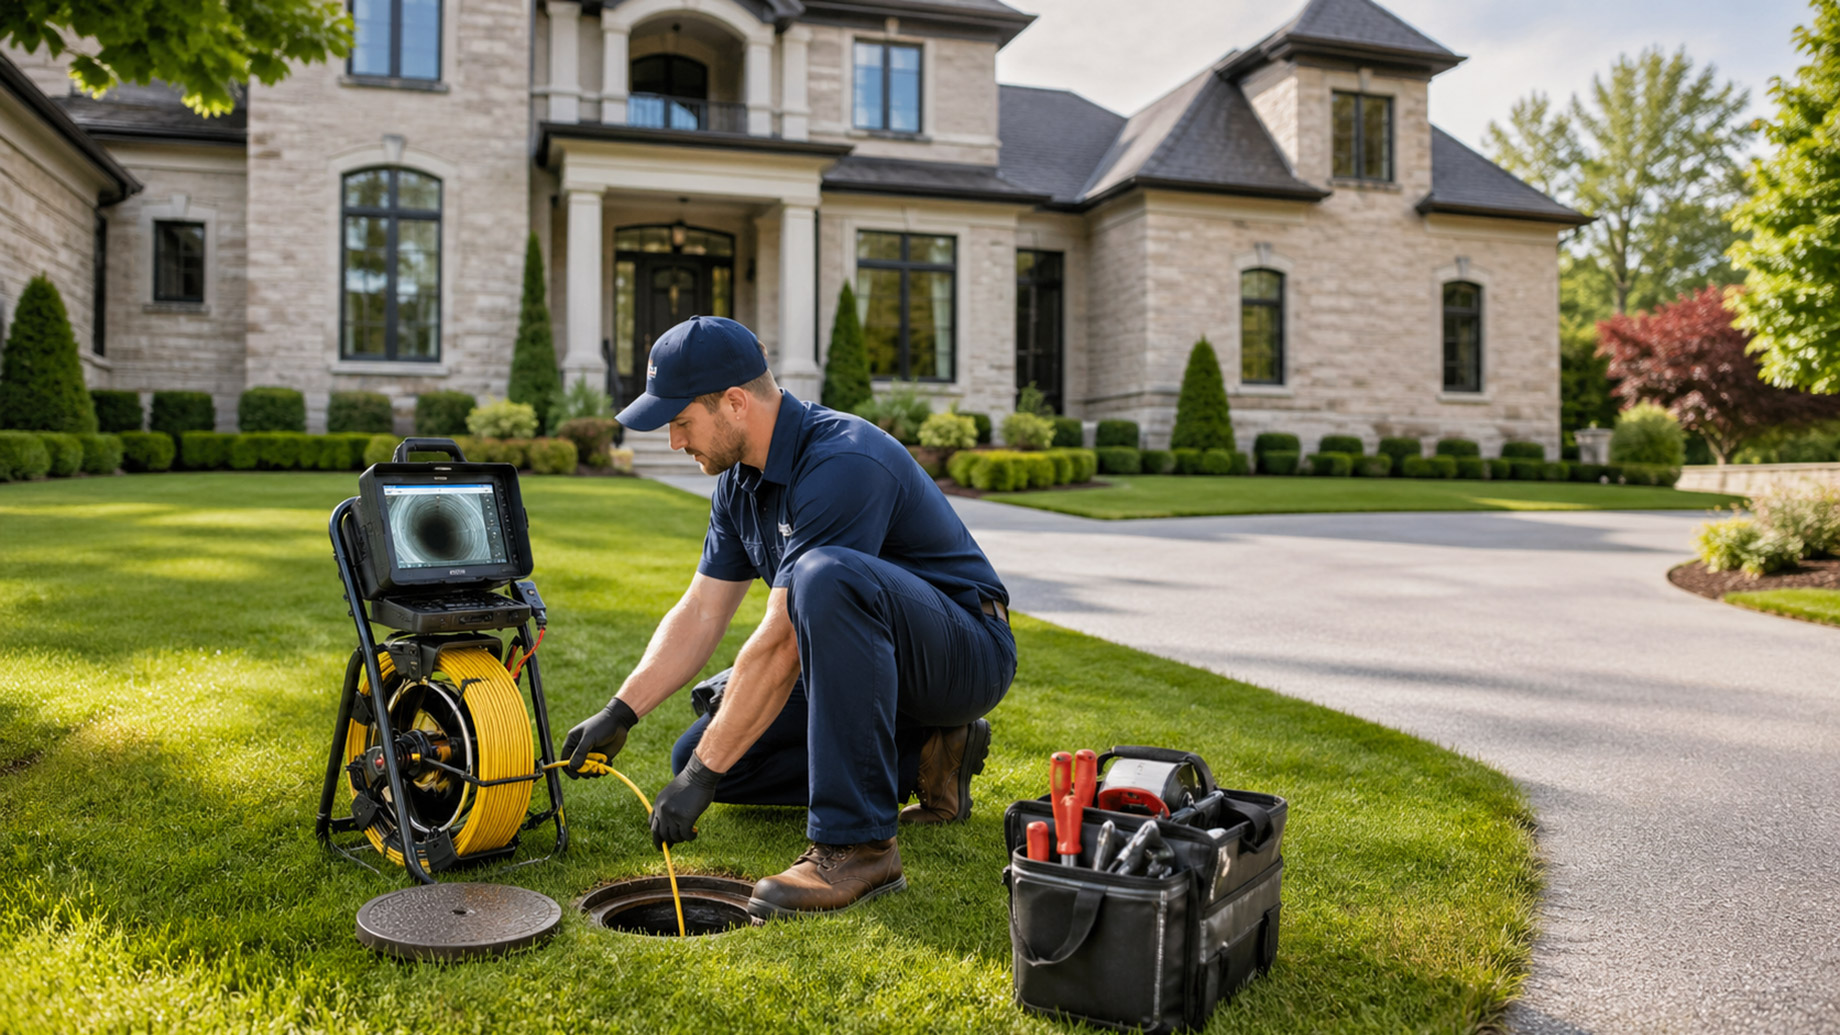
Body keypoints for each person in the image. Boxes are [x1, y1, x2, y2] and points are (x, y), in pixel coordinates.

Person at [560, 315, 1016, 920]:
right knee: (715, 756)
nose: (674, 441)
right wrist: (622, 711)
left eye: (680, 422)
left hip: (964, 652)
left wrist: (701, 776)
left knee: (823, 575)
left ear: (734, 403)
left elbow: (782, 643)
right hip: (879, 665)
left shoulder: (842, 461)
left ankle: (859, 844)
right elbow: (700, 610)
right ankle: (928, 750)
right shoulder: (738, 483)